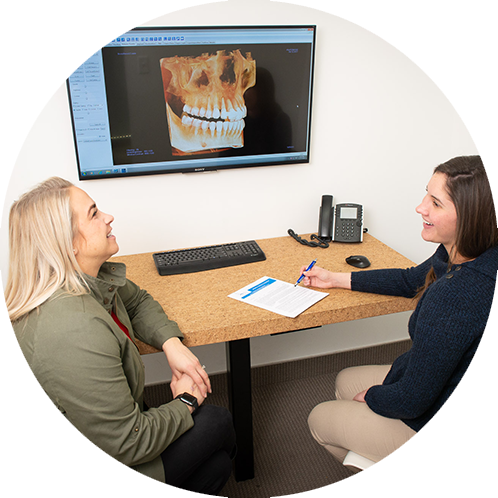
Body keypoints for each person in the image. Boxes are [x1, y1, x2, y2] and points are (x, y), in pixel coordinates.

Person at [0, 177, 236, 498]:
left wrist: (171, 343)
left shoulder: (83, 279)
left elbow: (137, 301)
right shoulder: (68, 326)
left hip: (92, 441)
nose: (108, 217)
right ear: (68, 243)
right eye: (94, 214)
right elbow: (129, 441)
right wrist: (185, 401)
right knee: (217, 422)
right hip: (61, 477)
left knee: (217, 466)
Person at [301, 156, 498, 498]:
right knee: (346, 381)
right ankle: (394, 479)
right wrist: (335, 278)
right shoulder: (471, 252)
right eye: (426, 195)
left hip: (462, 450)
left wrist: (376, 398)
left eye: (435, 203)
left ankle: (407, 487)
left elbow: (410, 401)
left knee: (322, 418)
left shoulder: (458, 294)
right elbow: (410, 280)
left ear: (471, 216)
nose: (420, 207)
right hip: (475, 407)